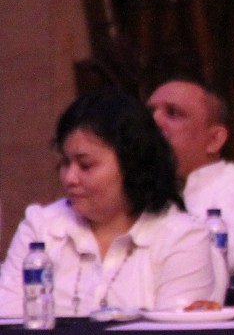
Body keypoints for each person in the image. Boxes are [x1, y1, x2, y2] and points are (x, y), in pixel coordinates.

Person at [0, 91, 220, 315]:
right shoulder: (41, 227)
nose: (69, 178)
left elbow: (177, 333)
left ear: (132, 165)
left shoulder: (182, 238)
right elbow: (8, 319)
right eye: (66, 163)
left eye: (86, 166)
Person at [148, 77, 234, 278]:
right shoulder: (128, 191)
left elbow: (230, 259)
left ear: (214, 139)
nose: (154, 122)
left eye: (173, 113)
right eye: (148, 113)